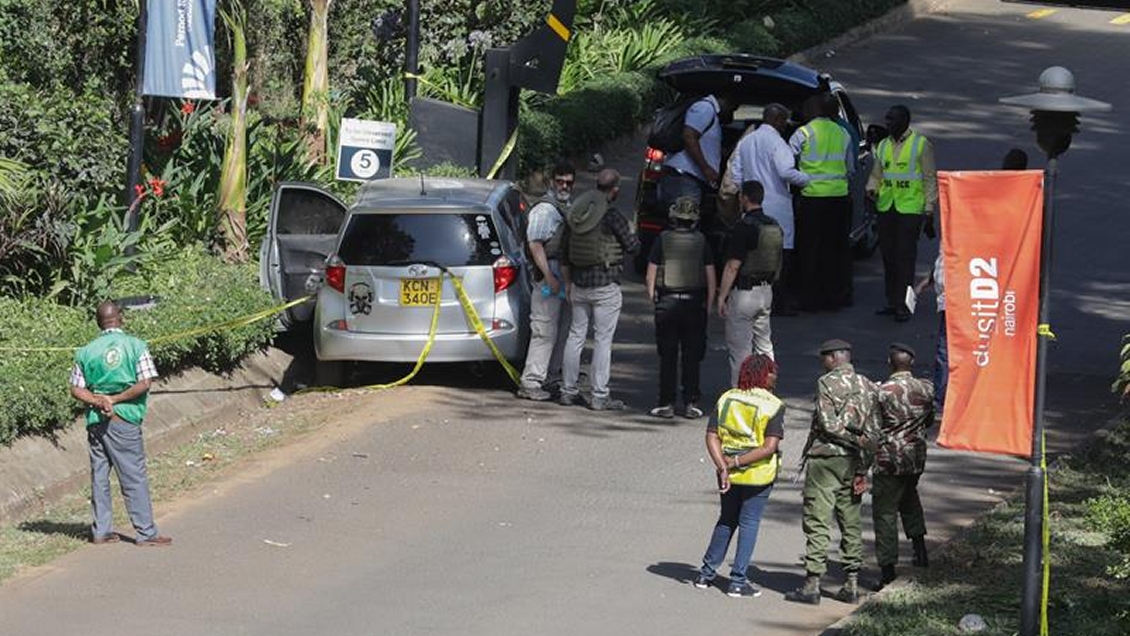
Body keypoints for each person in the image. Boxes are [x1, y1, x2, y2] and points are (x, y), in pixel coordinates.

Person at [70, 301, 172, 547]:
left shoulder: (85, 351)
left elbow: (75, 388)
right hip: (123, 418)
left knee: (100, 476)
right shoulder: (136, 346)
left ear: (98, 322)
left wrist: (97, 400)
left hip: (96, 421)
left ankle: (101, 531)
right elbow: (144, 383)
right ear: (121, 319)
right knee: (133, 475)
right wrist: (114, 400)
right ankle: (146, 532)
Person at [786, 339, 879, 605]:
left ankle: (812, 583)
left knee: (817, 520)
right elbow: (873, 433)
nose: (821, 363)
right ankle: (851, 584)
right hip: (853, 463)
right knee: (850, 521)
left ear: (833, 359)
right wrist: (863, 466)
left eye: (823, 358)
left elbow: (827, 425)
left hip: (826, 460)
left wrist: (853, 441)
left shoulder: (826, 383)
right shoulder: (868, 385)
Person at [694, 353, 785, 598]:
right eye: (772, 372)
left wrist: (723, 466)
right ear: (763, 375)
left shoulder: (727, 398)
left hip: (729, 474)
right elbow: (769, 447)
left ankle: (706, 573)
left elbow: (711, 435)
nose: (775, 376)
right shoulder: (773, 404)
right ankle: (738, 580)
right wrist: (736, 462)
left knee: (727, 519)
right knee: (749, 523)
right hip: (758, 475)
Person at [559, 168, 640, 411]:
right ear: (615, 189)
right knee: (603, 340)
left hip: (579, 283)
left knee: (575, 337)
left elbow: (563, 250)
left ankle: (567, 390)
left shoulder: (578, 212)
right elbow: (633, 247)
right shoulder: (612, 215)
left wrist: (567, 282)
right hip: (605, 285)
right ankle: (599, 395)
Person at [729, 103, 812, 315]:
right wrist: (806, 179)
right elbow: (785, 172)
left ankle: (749, 298)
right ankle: (778, 303)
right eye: (784, 121)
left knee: (751, 254)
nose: (785, 125)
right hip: (777, 206)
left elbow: (735, 172)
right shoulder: (778, 143)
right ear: (776, 120)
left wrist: (744, 193)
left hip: (751, 204)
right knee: (781, 255)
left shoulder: (746, 141)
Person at [645, 196, 716, 419]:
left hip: (667, 302)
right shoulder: (702, 241)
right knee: (691, 355)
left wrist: (653, 299)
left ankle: (666, 403)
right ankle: (690, 402)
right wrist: (709, 304)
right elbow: (710, 275)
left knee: (667, 355)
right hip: (694, 304)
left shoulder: (662, 239)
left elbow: (651, 273)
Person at [873, 342, 935, 588]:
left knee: (885, 513)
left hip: (890, 459)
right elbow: (929, 419)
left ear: (890, 363)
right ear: (911, 363)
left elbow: (874, 424)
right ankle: (920, 551)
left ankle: (888, 571)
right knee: (909, 499)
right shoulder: (926, 388)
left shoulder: (882, 392)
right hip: (916, 456)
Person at [868, 104, 937, 323]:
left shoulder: (920, 145)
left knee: (905, 258)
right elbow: (877, 174)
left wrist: (929, 209)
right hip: (887, 207)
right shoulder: (883, 145)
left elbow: (929, 178)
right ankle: (892, 301)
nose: (888, 124)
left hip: (910, 209)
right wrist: (871, 189)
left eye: (893, 120)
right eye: (887, 120)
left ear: (905, 122)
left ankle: (904, 304)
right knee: (889, 256)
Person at [790, 93, 855, 312]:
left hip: (812, 198)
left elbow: (786, 163)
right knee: (836, 249)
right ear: (835, 112)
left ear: (815, 110)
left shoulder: (803, 133)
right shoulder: (843, 133)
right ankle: (835, 296)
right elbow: (850, 168)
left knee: (810, 249)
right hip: (838, 197)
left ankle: (810, 298)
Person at [517, 161, 576, 401]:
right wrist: (550, 277)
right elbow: (535, 243)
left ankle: (550, 376)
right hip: (548, 275)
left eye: (568, 182)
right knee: (543, 330)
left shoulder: (564, 205)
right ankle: (531, 382)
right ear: (552, 181)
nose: (564, 186)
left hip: (561, 274)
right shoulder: (545, 209)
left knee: (560, 329)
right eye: (560, 181)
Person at [717, 181, 783, 387]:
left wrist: (722, 296)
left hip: (744, 294)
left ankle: (741, 395)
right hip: (766, 291)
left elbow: (733, 266)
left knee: (740, 351)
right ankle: (768, 390)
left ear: (744, 198)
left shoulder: (743, 227)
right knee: (764, 346)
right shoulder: (774, 225)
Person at [657, 92, 739, 209]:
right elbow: (689, 136)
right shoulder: (705, 108)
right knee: (685, 221)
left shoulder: (711, 115)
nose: (732, 115)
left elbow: (705, 145)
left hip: (690, 179)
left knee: (685, 220)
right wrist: (706, 168)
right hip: (684, 178)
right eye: (732, 109)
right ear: (727, 101)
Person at [914, 254, 947, 412]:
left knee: (944, 353)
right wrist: (923, 284)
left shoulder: (960, 237)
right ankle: (940, 396)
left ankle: (941, 399)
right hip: (945, 303)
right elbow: (940, 264)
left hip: (956, 303)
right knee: (942, 353)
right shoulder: (947, 240)